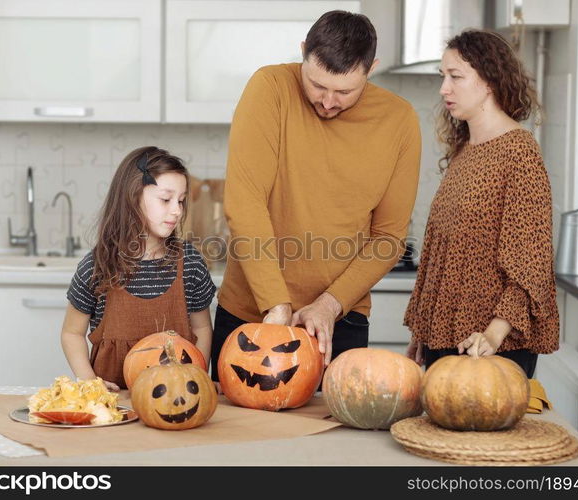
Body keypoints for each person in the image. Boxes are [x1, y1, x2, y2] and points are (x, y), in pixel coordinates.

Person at [211, 10, 421, 379]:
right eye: (317, 85)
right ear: (303, 51)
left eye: (344, 91)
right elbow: (245, 203)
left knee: (333, 435)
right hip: (252, 317)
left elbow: (388, 237)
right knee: (236, 433)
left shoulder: (399, 121)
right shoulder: (270, 87)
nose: (327, 101)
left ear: (371, 69)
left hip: (338, 320)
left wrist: (328, 305)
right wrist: (275, 307)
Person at [404, 30, 559, 377]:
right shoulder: (466, 150)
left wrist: (495, 332)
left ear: (489, 80)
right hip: (446, 336)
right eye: (442, 76)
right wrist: (423, 328)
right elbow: (445, 248)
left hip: (487, 346)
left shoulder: (518, 153)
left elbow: (530, 258)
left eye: (455, 77)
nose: (444, 88)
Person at [61, 146, 216, 391]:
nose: (177, 210)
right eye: (166, 199)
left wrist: (197, 378)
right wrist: (89, 382)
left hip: (176, 399)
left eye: (181, 201)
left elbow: (202, 328)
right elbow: (71, 333)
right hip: (115, 406)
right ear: (132, 197)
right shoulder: (98, 266)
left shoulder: (190, 263)